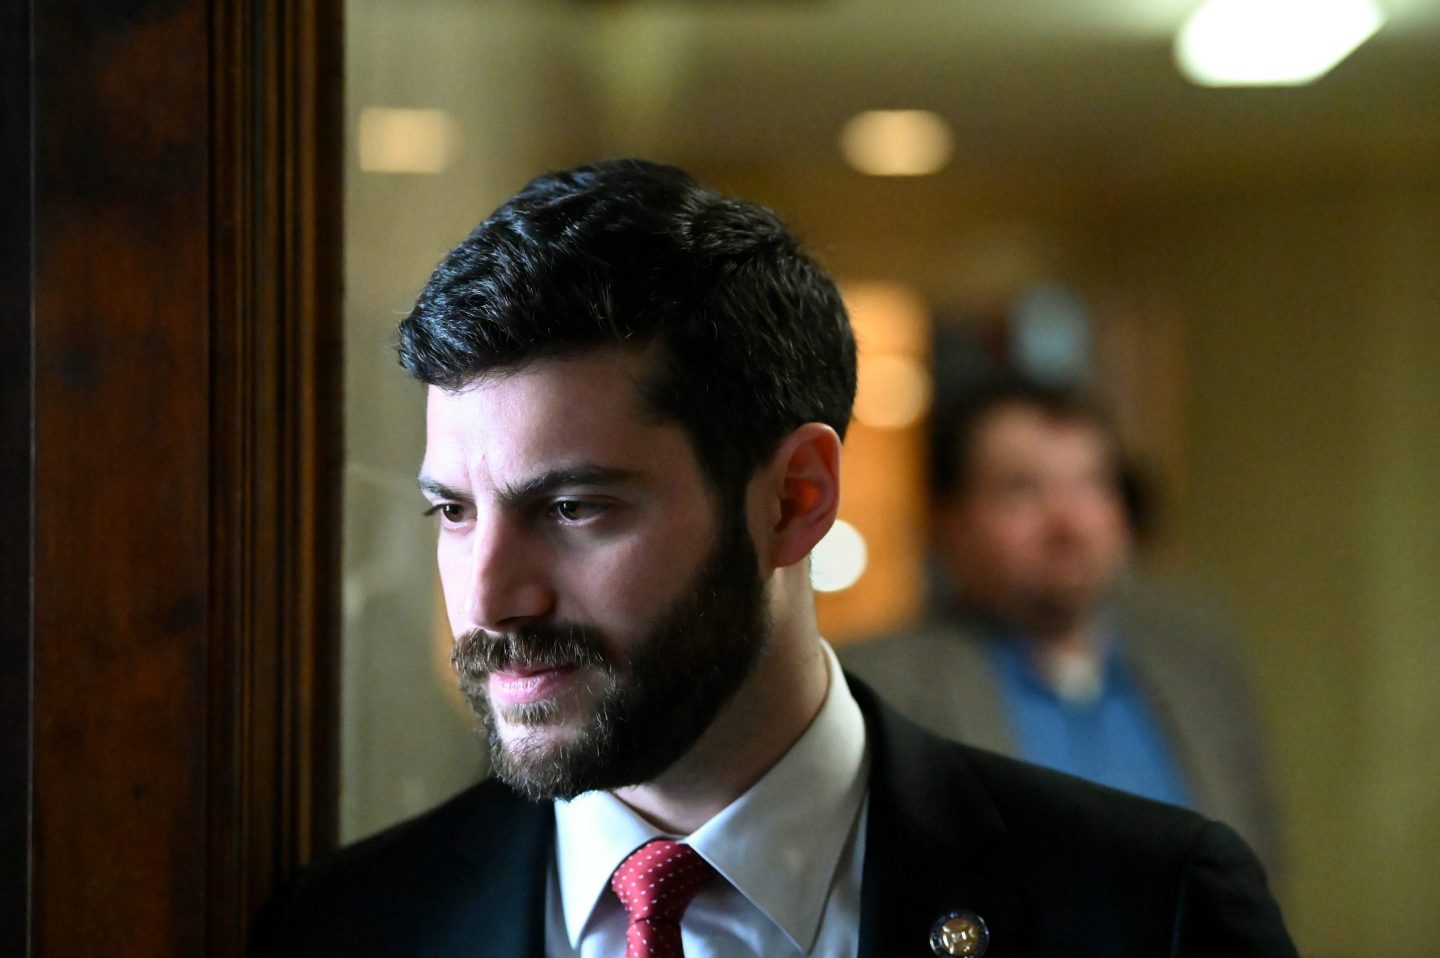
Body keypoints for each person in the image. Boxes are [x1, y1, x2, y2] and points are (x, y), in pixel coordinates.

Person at [253, 160, 1296, 957]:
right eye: (454, 511)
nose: (489, 596)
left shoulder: (1148, 910)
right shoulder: (348, 927)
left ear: (796, 498)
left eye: (572, 507)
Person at [841, 380, 1284, 872]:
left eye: (1092, 483)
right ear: (951, 522)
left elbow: (1258, 867)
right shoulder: (876, 693)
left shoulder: (1199, 666)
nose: (1069, 523)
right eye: (1023, 490)